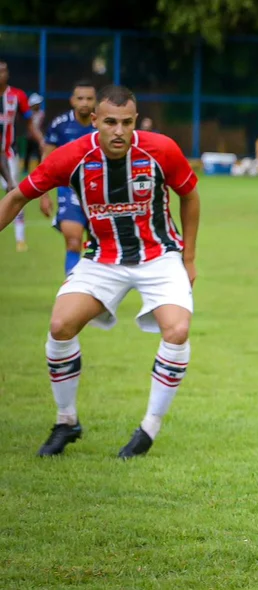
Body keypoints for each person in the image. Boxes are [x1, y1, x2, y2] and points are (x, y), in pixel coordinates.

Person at [0, 84, 202, 459]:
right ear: (94, 121)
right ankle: (66, 421)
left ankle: (148, 429)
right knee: (60, 326)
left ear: (136, 121)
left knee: (177, 329)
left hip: (159, 256)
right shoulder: (72, 156)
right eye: (110, 122)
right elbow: (16, 197)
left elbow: (189, 195)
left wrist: (188, 259)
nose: (119, 131)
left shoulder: (161, 149)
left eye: (127, 122)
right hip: (102, 259)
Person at [38, 80, 97, 275]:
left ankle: (92, 291)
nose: (85, 103)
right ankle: (71, 289)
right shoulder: (60, 125)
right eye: (80, 98)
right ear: (72, 100)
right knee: (73, 242)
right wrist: (44, 195)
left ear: (96, 101)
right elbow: (46, 160)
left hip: (99, 192)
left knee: (95, 245)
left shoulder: (104, 125)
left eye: (89, 98)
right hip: (69, 191)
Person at [0, 60, 32, 252]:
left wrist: (41, 139)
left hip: (9, 154)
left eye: (4, 70)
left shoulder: (17, 96)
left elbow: (29, 121)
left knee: (14, 194)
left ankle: (20, 239)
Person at [24, 93, 45, 171]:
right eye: (37, 104)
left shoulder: (41, 113)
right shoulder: (29, 113)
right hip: (30, 137)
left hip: (38, 137)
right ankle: (25, 168)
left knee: (39, 153)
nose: (39, 105)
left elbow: (40, 125)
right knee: (28, 153)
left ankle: (39, 167)